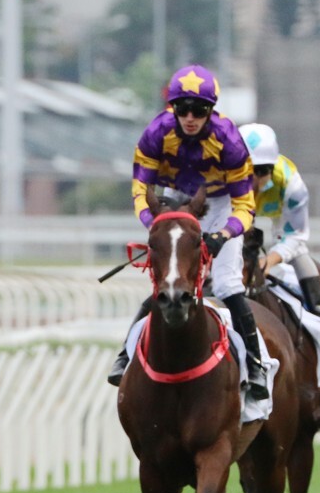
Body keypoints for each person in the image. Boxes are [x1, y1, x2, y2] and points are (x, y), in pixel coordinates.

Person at [110, 63, 267, 398]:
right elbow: (140, 190)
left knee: (226, 284)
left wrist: (223, 235)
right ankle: (125, 357)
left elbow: (245, 205)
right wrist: (155, 224)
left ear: (212, 111)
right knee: (168, 283)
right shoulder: (156, 134)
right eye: (183, 109)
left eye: (199, 110)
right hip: (174, 203)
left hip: (220, 205)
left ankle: (256, 365)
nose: (190, 117)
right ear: (173, 108)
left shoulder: (229, 140)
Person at [237, 122, 320, 317]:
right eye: (249, 170)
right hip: (236, 217)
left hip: (281, 218)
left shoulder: (291, 183)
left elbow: (294, 235)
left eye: (262, 171)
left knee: (298, 252)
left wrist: (269, 260)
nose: (255, 180)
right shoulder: (222, 177)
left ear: (272, 168)